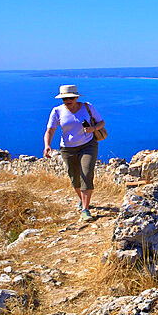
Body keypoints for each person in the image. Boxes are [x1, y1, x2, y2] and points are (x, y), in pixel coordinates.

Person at [43, 84, 105, 221]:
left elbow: (102, 123)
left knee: (87, 173)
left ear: (77, 97)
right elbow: (50, 130)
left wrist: (93, 128)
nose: (68, 100)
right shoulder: (57, 111)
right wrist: (47, 145)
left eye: (71, 97)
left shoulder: (87, 107)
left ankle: (85, 209)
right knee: (74, 177)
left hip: (88, 145)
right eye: (64, 98)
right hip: (67, 148)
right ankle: (82, 200)